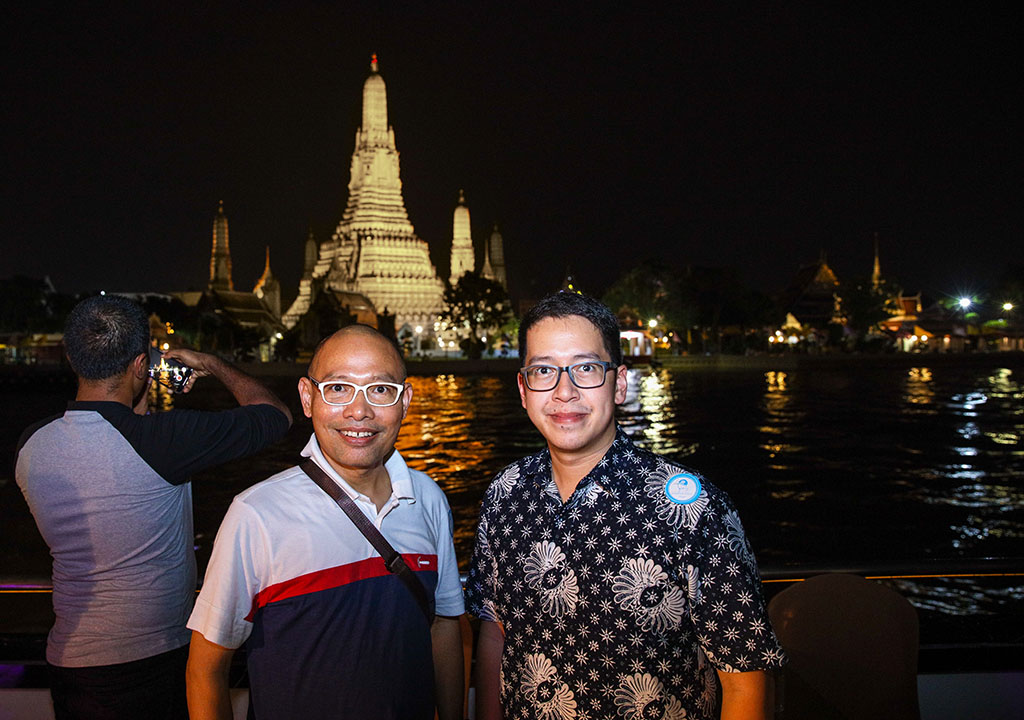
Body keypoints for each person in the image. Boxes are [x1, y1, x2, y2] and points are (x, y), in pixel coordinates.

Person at [465, 292, 786, 720]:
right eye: (544, 371)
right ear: (523, 390)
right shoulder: (505, 495)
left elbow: (743, 673)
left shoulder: (693, 508)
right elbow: (495, 632)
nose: (564, 392)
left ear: (619, 384)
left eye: (586, 369)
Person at [14, 294, 293, 720]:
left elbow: (108, 451)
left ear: (71, 357)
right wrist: (212, 363)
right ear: (142, 364)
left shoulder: (31, 445)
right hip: (153, 660)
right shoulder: (166, 443)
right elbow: (275, 415)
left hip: (70, 663)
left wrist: (137, 391)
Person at [186, 324, 465, 720]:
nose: (359, 411)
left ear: (405, 401)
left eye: (380, 390)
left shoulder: (429, 500)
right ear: (307, 397)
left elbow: (442, 626)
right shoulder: (257, 514)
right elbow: (206, 668)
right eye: (338, 388)